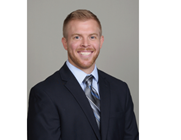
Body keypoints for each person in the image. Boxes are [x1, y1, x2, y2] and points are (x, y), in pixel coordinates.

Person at [28, 9, 139, 140]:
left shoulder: (120, 90)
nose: (85, 44)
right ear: (65, 43)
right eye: (77, 37)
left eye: (92, 37)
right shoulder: (44, 94)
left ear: (101, 41)